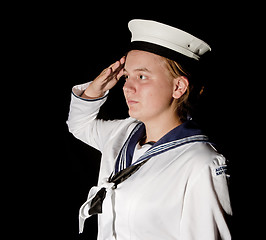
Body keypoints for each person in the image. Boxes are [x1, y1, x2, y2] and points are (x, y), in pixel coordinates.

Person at [67, 19, 232, 240]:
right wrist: (96, 89)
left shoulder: (201, 163)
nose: (126, 86)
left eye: (142, 76)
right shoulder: (123, 134)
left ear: (178, 87)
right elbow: (79, 125)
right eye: (127, 76)